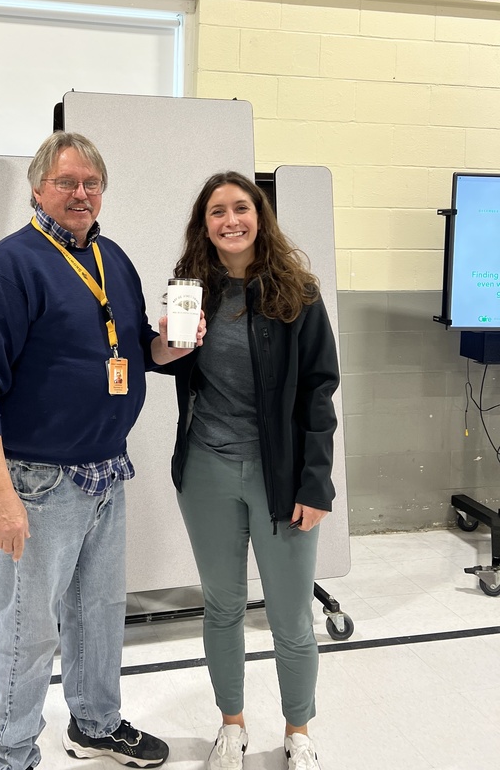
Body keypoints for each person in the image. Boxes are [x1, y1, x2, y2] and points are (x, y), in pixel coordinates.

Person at [0, 131, 203, 770]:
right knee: (31, 631)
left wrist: (172, 347)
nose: (81, 194)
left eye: (91, 184)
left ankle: (94, 724)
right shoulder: (10, 265)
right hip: (38, 481)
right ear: (38, 189)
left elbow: (133, 346)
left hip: (106, 472)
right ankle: (11, 753)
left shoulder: (112, 257)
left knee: (99, 614)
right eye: (67, 183)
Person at [167, 172, 340, 770]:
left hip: (281, 477)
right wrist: (162, 343)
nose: (230, 220)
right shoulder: (192, 291)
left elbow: (320, 394)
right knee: (223, 606)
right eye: (217, 211)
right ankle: (232, 726)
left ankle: (299, 732)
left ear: (259, 217)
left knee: (291, 617)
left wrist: (316, 484)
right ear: (204, 224)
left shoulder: (297, 294)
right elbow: (161, 361)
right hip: (206, 473)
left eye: (241, 208)